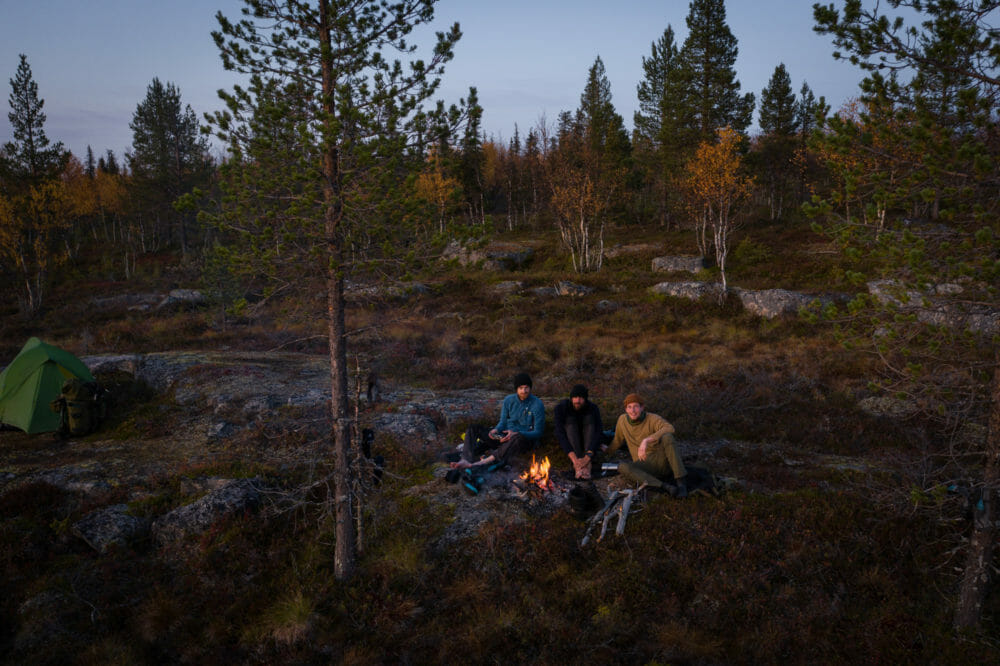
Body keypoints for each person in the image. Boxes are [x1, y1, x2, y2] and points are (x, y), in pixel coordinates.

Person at [452, 372, 545, 469]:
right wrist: (495, 430)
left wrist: (516, 433)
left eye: (526, 388)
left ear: (530, 388)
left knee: (517, 438)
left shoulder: (537, 404)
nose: (524, 391)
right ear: (516, 389)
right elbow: (503, 422)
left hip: (522, 440)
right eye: (521, 388)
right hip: (504, 437)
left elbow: (538, 432)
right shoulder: (509, 400)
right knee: (473, 428)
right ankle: (465, 459)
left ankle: (481, 463)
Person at [605, 393, 688, 498]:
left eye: (636, 406)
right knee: (622, 466)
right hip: (644, 466)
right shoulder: (622, 420)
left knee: (667, 437)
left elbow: (670, 428)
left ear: (642, 407)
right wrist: (607, 451)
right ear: (626, 409)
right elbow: (617, 440)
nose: (633, 410)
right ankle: (664, 487)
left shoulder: (652, 418)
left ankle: (681, 483)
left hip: (661, 461)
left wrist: (646, 441)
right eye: (629, 407)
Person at [553, 384, 603, 480]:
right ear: (571, 398)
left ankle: (588, 465)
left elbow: (598, 432)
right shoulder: (561, 408)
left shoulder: (593, 408)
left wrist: (587, 458)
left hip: (588, 443)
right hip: (572, 443)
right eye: (575, 397)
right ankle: (579, 467)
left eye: (581, 398)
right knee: (570, 423)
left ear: (585, 399)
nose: (577, 401)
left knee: (590, 421)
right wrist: (575, 460)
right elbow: (560, 434)